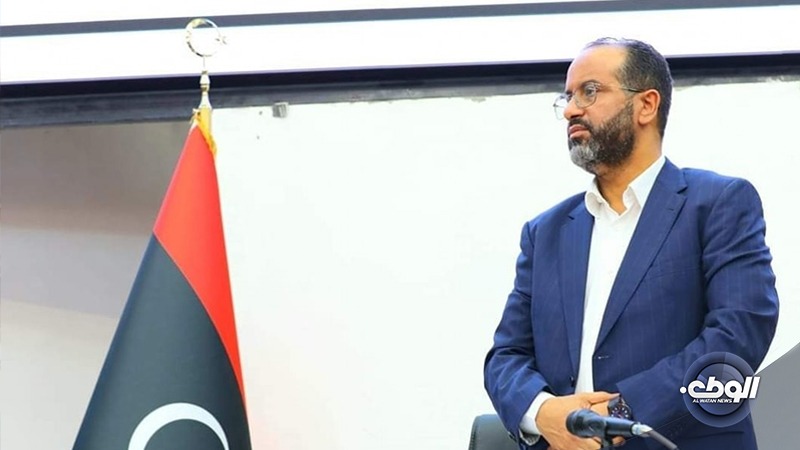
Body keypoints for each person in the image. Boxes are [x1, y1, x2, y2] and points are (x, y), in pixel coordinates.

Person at [483, 37, 779, 450]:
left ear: (646, 105)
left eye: (590, 91)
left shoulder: (717, 203)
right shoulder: (545, 232)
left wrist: (620, 413)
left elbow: (737, 337)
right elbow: (506, 356)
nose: (570, 109)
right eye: (567, 96)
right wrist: (544, 412)